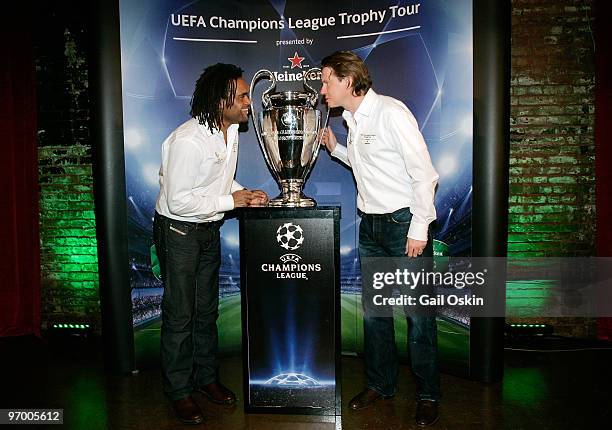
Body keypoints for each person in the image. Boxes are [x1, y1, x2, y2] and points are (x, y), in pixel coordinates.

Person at [319, 51, 441, 427]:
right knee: (376, 316)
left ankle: (427, 394)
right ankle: (380, 384)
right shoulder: (354, 120)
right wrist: (337, 149)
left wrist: (418, 229)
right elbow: (369, 165)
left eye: (327, 80)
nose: (322, 88)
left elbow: (424, 174)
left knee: (418, 318)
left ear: (348, 80)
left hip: (403, 226)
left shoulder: (391, 112)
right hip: (370, 227)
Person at [153, 63, 268, 425]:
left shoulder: (229, 130)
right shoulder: (188, 140)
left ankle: (206, 379)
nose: (250, 101)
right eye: (244, 96)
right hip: (179, 232)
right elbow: (178, 201)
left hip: (206, 230)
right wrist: (230, 202)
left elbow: (219, 178)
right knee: (180, 316)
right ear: (222, 102)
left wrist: (241, 192)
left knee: (206, 313)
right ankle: (179, 390)